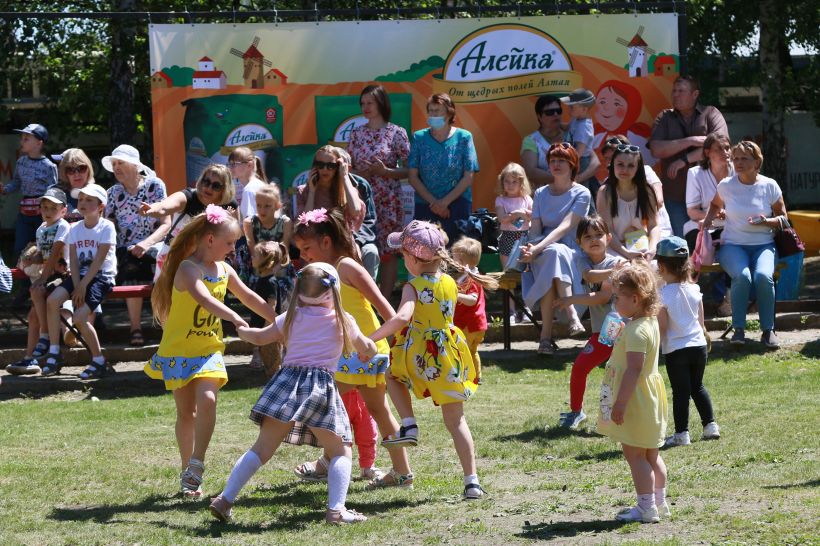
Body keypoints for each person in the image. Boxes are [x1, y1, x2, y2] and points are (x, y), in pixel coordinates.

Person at [209, 263, 377, 525]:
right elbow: (366, 345)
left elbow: (260, 337)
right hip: (320, 387)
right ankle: (336, 510)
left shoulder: (289, 317)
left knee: (262, 448)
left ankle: (225, 499)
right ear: (333, 292)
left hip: (286, 383)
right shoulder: (343, 319)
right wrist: (369, 349)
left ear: (299, 290)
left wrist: (243, 329)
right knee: (341, 451)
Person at [144, 204, 275, 497]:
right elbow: (204, 299)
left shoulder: (225, 270)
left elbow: (250, 297)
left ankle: (197, 463)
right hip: (179, 351)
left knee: (207, 399)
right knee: (186, 413)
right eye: (229, 243)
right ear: (210, 240)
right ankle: (186, 470)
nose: (233, 249)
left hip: (208, 350)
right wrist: (233, 316)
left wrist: (277, 319)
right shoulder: (187, 269)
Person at [370, 220, 493, 500]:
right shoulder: (449, 281)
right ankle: (471, 481)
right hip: (448, 354)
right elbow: (463, 301)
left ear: (414, 258)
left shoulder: (411, 286)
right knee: (456, 420)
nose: (403, 260)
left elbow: (402, 317)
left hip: (420, 355)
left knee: (391, 375)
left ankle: (409, 423)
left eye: (403, 255)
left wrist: (372, 336)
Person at [292, 208, 413, 489]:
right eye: (300, 250)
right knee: (372, 408)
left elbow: (383, 305)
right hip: (348, 352)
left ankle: (329, 460)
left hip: (365, 350)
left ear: (326, 241)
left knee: (327, 402)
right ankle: (401, 472)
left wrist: (389, 340)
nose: (304, 255)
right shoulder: (320, 272)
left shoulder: (347, 267)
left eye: (307, 248)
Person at [597, 260, 669, 523]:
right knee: (651, 454)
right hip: (649, 397)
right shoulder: (648, 322)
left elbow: (633, 370)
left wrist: (620, 404)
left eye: (618, 297)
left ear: (636, 299)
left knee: (635, 454)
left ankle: (646, 508)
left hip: (636, 399)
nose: (614, 302)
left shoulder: (637, 331)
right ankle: (659, 502)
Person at [702, 141, 786, 348]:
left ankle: (768, 330)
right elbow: (714, 205)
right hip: (733, 245)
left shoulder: (769, 185)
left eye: (744, 159)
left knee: (763, 277)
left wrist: (766, 221)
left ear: (757, 162)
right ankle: (739, 330)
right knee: (742, 276)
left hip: (764, 245)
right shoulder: (726, 185)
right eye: (736, 158)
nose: (738, 162)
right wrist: (710, 220)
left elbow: (784, 218)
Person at [553, 215, 624, 429]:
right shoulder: (582, 260)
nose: (594, 240)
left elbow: (602, 297)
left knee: (602, 371)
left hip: (616, 328)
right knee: (582, 368)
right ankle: (577, 412)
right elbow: (591, 276)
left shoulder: (614, 262)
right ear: (579, 243)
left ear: (609, 238)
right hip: (602, 329)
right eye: (587, 237)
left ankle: (618, 415)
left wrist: (570, 299)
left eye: (599, 235)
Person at [519, 143, 591, 355]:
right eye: (552, 161)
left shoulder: (582, 193)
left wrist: (538, 247)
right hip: (542, 252)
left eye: (561, 160)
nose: (556, 165)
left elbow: (566, 227)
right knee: (553, 255)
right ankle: (572, 316)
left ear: (572, 165)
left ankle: (545, 338)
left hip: (573, 252)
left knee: (555, 254)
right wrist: (533, 248)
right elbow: (535, 230)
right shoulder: (540, 193)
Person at [42, 184, 117, 379]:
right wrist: (77, 285)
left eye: (89, 200)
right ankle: (54, 351)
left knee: (79, 318)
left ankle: (99, 360)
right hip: (79, 277)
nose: (82, 203)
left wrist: (82, 287)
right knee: (52, 300)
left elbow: (99, 260)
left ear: (101, 206)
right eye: (81, 199)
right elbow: (73, 261)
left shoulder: (106, 226)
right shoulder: (74, 228)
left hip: (101, 277)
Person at [655, 236, 720, 447]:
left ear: (661, 266)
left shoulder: (663, 295)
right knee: (697, 386)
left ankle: (682, 434)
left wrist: (654, 344)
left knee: (680, 392)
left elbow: (662, 327)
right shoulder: (695, 289)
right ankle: (710, 426)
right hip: (698, 347)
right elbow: (701, 323)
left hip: (676, 350)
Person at [103, 144, 170, 346]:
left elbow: (166, 224)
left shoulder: (155, 185)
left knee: (165, 263)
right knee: (131, 262)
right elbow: (110, 226)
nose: (116, 168)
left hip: (155, 243)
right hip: (126, 249)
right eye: (114, 164)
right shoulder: (113, 193)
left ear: (134, 165)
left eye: (120, 163)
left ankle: (168, 328)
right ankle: (135, 328)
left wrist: (146, 244)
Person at [348, 84, 411, 298]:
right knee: (360, 247)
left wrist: (385, 171)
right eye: (362, 103)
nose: (365, 107)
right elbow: (347, 168)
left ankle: (383, 303)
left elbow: (410, 170)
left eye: (370, 103)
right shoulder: (357, 133)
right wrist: (359, 173)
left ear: (381, 103)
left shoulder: (396, 133)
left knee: (388, 252)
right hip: (361, 200)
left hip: (388, 200)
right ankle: (362, 300)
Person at [648, 75, 729, 237]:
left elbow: (720, 146)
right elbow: (656, 149)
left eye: (681, 91)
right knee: (683, 244)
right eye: (674, 91)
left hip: (711, 197)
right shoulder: (665, 117)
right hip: (676, 196)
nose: (675, 95)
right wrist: (690, 141)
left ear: (695, 94)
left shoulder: (711, 113)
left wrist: (683, 160)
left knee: (714, 242)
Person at [6, 188, 70, 376]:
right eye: (44, 207)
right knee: (34, 304)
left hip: (64, 276)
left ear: (63, 211)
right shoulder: (41, 229)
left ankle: (42, 344)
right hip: (48, 275)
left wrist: (42, 278)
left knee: (35, 302)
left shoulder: (64, 226)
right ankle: (37, 350)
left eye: (53, 208)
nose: (48, 211)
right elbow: (43, 255)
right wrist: (31, 259)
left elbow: (56, 254)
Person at [139, 164, 237, 281]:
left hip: (209, 260)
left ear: (224, 189)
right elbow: (164, 206)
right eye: (206, 182)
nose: (209, 188)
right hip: (175, 257)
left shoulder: (229, 206)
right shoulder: (188, 197)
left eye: (216, 186)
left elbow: (235, 234)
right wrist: (152, 209)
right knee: (167, 298)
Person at [295, 146, 378, 277]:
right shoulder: (303, 191)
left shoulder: (347, 189)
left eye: (330, 165)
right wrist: (312, 191)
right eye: (320, 165)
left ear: (338, 167)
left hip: (342, 241)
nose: (324, 169)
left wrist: (344, 177)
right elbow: (305, 222)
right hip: (317, 243)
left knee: (368, 252)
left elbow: (356, 211)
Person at [407, 93, 479, 243]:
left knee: (458, 255)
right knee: (426, 255)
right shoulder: (419, 137)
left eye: (437, 111)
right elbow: (412, 176)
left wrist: (444, 203)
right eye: (430, 110)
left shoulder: (464, 137)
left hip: (457, 206)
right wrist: (435, 203)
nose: (433, 114)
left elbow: (468, 176)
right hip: (426, 206)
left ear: (449, 113)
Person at [243, 184, 294, 372]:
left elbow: (284, 248)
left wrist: (276, 269)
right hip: (259, 269)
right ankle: (257, 349)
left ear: (277, 206)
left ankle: (285, 349)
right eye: (259, 205)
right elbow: (253, 250)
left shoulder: (285, 222)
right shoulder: (251, 222)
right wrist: (263, 270)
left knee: (284, 306)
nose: (262, 210)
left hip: (281, 268)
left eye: (267, 206)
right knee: (256, 308)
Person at [684, 133, 733, 316]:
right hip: (702, 224)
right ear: (707, 153)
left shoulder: (738, 171)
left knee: (733, 246)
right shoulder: (695, 173)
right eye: (718, 149)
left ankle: (729, 299)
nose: (725, 152)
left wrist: (729, 215)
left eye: (727, 148)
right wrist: (713, 215)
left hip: (731, 225)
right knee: (692, 248)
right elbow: (692, 210)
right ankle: (690, 299)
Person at [597, 144, 665, 260]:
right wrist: (627, 253)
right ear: (612, 165)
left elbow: (653, 225)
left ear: (638, 168)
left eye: (631, 166)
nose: (625, 170)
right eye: (620, 164)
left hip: (644, 247)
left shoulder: (647, 191)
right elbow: (607, 231)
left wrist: (652, 249)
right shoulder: (605, 192)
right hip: (615, 249)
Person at [0, 123, 58, 258]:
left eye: (26, 138)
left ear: (39, 143)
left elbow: (54, 190)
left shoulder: (49, 166)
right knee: (20, 249)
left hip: (43, 215)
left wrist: (45, 201)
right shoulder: (21, 162)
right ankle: (22, 278)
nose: (21, 141)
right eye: (22, 138)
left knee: (43, 249)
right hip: (24, 214)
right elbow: (16, 182)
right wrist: (5, 190)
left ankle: (44, 278)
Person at [521, 95, 600, 190]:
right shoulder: (532, 140)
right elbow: (531, 172)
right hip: (548, 196)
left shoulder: (573, 133)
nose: (555, 114)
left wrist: (577, 179)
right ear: (539, 116)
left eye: (558, 111)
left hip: (576, 191)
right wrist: (562, 179)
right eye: (549, 112)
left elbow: (595, 162)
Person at [452, 236, 498, 385]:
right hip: (475, 324)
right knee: (472, 351)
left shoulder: (471, 279)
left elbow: (472, 300)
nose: (452, 262)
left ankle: (465, 376)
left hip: (469, 324)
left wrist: (455, 295)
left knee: (462, 350)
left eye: (455, 259)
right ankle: (476, 377)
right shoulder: (469, 276)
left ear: (463, 262)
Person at [494, 162, 533, 323]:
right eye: (507, 181)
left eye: (514, 181)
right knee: (508, 275)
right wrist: (518, 214)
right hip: (507, 238)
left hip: (525, 237)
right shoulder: (500, 199)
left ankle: (526, 309)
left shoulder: (527, 199)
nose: (510, 185)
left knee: (526, 274)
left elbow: (533, 216)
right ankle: (510, 311)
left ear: (521, 183)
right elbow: (502, 218)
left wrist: (521, 214)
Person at [561, 88, 597, 195]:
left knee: (581, 189)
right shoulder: (576, 119)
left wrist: (566, 164)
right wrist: (556, 124)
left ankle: (589, 210)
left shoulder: (584, 127)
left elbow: (579, 152)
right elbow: (568, 127)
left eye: (572, 107)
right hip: (575, 159)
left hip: (581, 161)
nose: (569, 109)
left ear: (584, 109)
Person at [227, 146, 269, 220]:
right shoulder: (258, 185)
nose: (230, 167)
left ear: (250, 165)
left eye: (234, 164)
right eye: (230, 164)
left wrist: (234, 220)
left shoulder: (249, 190)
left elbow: (250, 225)